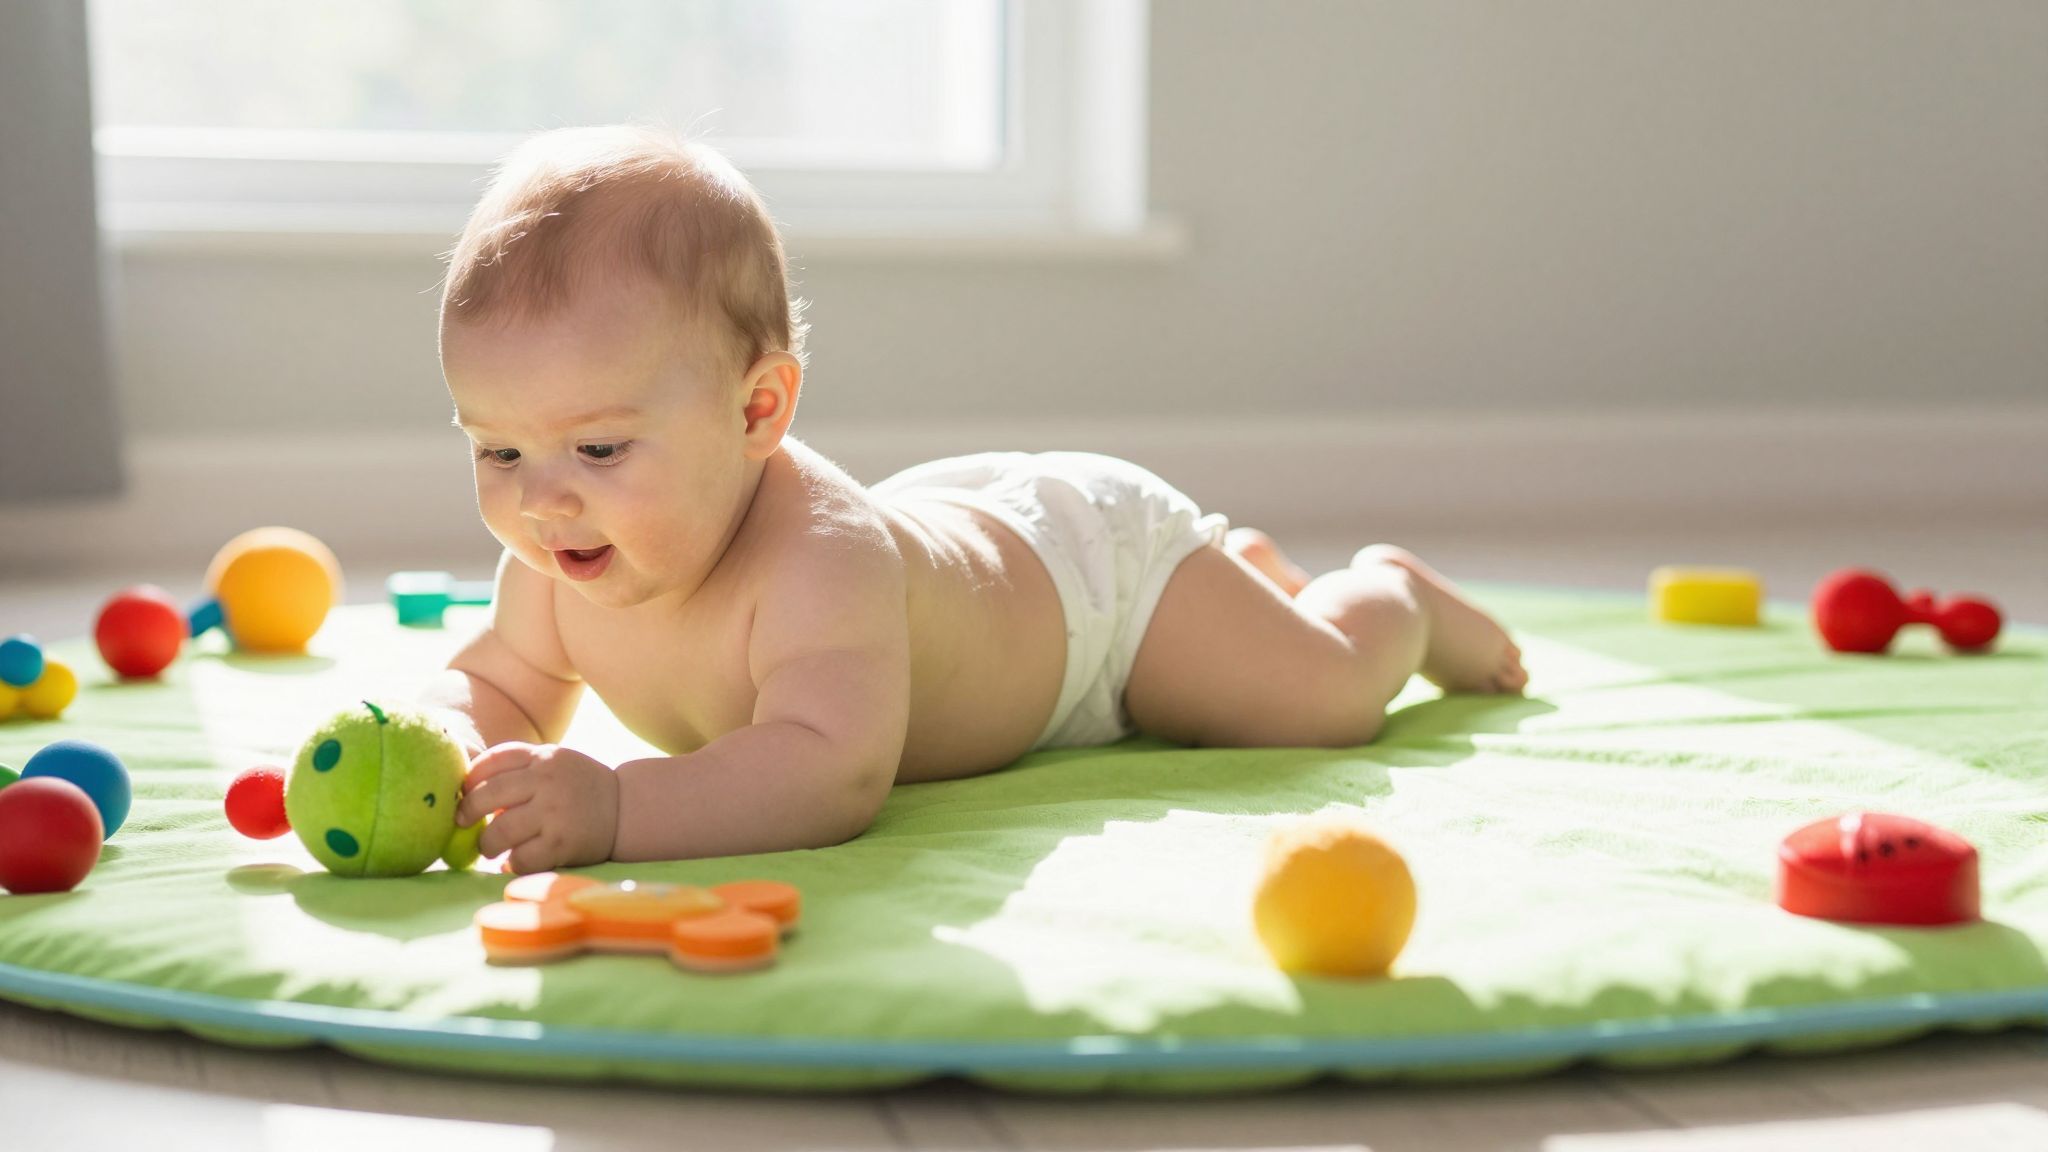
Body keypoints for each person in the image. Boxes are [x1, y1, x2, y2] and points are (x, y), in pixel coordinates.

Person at [423, 126, 1527, 874]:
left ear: (759, 413)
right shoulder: (553, 558)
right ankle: (1239, 579)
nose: (543, 503)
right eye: (498, 453)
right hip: (964, 553)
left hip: (1093, 597)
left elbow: (829, 769)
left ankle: (1387, 598)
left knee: (1320, 705)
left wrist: (617, 810)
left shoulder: (819, 564)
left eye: (600, 447)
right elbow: (503, 682)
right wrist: (448, 754)